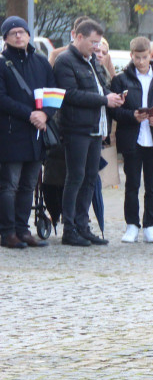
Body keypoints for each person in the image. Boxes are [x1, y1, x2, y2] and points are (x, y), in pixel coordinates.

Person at [53, 18, 124, 247]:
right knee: (75, 177)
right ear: (79, 37)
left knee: (90, 178)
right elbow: (69, 94)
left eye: (99, 43)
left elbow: (99, 86)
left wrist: (113, 96)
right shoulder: (65, 61)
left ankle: (83, 227)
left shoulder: (91, 60)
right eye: (93, 42)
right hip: (76, 129)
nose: (96, 47)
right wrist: (104, 99)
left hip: (95, 128)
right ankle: (70, 229)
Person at [109, 37, 153, 244]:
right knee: (132, 184)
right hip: (132, 138)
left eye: (144, 57)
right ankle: (131, 225)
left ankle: (150, 225)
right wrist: (132, 116)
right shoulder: (121, 80)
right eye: (137, 57)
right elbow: (115, 110)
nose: (140, 61)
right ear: (131, 56)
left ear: (150, 55)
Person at [0, 16, 58, 249]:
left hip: (37, 134)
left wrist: (45, 114)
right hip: (12, 133)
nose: (18, 35)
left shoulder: (41, 62)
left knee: (28, 185)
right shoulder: (2, 64)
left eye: (21, 31)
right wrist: (30, 114)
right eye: (12, 32)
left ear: (28, 34)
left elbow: (54, 92)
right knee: (9, 185)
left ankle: (23, 230)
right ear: (5, 38)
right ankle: (7, 232)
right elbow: (2, 99)